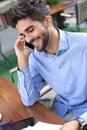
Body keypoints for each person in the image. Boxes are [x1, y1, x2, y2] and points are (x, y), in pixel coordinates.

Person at [6, 0, 87, 129]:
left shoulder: (84, 45)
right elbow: (29, 100)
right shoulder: (34, 55)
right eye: (23, 35)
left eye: (30, 30)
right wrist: (22, 60)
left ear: (47, 21)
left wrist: (81, 121)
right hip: (59, 114)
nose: (28, 39)